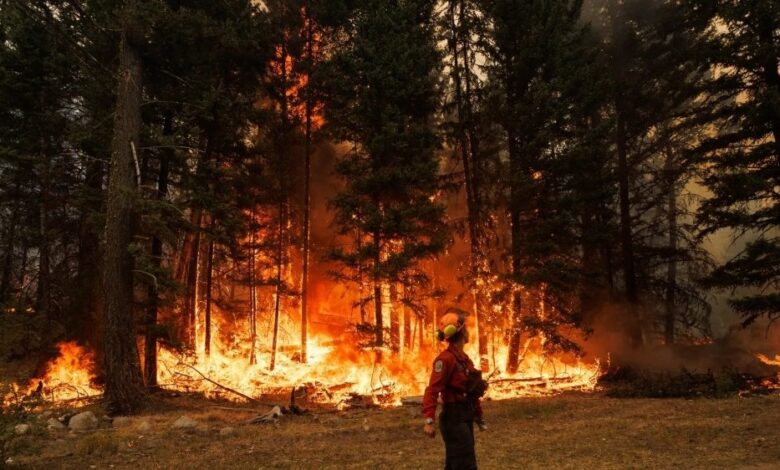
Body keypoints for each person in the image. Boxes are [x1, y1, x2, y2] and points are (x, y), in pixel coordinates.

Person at [422, 312, 488, 470]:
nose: (469, 332)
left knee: (456, 464)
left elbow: (471, 392)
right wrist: (429, 421)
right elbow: (432, 390)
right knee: (466, 464)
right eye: (467, 329)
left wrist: (478, 416)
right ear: (462, 332)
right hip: (453, 418)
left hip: (465, 416)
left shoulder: (465, 360)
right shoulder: (445, 360)